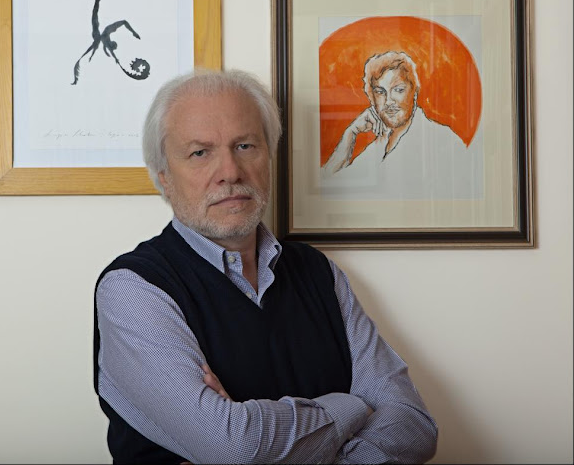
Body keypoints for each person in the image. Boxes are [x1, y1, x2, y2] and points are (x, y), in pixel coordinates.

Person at [93, 69, 438, 464]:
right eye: (200, 153)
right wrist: (352, 407)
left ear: (269, 157)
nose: (230, 172)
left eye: (245, 146)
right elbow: (234, 447)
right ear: (164, 178)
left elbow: (415, 427)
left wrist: (266, 435)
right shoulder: (134, 289)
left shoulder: (318, 272)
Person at [322, 52, 482, 200]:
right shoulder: (378, 145)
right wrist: (351, 133)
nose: (388, 101)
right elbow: (324, 186)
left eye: (398, 90)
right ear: (372, 98)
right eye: (380, 92)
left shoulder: (444, 140)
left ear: (414, 93)